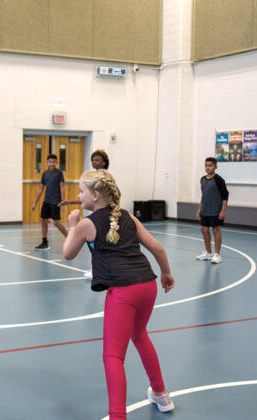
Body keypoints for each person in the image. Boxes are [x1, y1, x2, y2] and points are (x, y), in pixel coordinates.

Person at [63, 169, 175, 420]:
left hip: (123, 291)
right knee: (140, 335)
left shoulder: (85, 224)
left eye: (82, 191)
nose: (78, 196)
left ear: (96, 194)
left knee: (113, 355)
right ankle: (161, 394)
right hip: (147, 286)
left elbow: (68, 253)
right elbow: (157, 248)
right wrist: (166, 273)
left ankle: (117, 416)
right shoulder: (128, 218)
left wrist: (72, 226)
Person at [31, 154, 68, 249]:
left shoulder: (59, 173)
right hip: (46, 201)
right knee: (43, 220)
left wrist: (63, 202)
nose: (52, 164)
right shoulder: (45, 174)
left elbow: (62, 187)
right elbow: (41, 189)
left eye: (54, 162)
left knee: (56, 223)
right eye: (50, 162)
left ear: (57, 162)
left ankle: (69, 238)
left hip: (55, 201)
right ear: (47, 163)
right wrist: (35, 203)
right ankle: (44, 242)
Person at [195, 157, 228, 264]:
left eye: (210, 165)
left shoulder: (219, 180)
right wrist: (199, 209)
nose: (208, 168)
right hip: (205, 210)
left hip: (215, 211)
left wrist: (223, 211)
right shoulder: (202, 179)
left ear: (215, 167)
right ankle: (209, 253)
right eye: (206, 165)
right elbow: (203, 195)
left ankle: (217, 254)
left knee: (216, 231)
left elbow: (225, 196)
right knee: (204, 230)